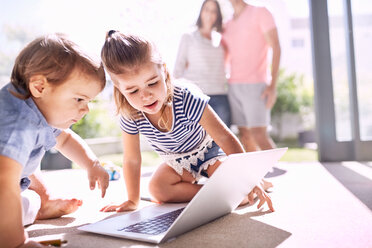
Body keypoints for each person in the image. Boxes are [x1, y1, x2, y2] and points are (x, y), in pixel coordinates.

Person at [99, 30, 273, 214]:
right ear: (118, 87)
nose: (145, 96)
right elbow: (132, 160)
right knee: (158, 189)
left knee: (242, 196)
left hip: (210, 153)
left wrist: (248, 178)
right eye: (133, 91)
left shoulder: (186, 96)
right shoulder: (130, 113)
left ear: (163, 70)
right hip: (178, 163)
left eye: (152, 83)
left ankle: (253, 182)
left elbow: (224, 137)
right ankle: (214, 194)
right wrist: (132, 200)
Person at [0, 33, 110, 248]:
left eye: (89, 101)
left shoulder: (39, 109)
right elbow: (4, 181)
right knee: (12, 207)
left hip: (11, 186)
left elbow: (66, 140)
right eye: (79, 99)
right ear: (39, 87)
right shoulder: (17, 123)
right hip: (4, 184)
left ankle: (41, 206)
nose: (86, 108)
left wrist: (92, 163)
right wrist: (18, 243)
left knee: (29, 203)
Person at [222, 0, 281, 152]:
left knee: (259, 135)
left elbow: (276, 47)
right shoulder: (227, 24)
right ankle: (254, 174)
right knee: (245, 135)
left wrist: (272, 86)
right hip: (233, 86)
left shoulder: (260, 12)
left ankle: (277, 169)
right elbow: (226, 57)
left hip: (256, 85)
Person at [173, 0, 231, 127]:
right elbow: (178, 70)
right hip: (196, 97)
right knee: (198, 142)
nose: (210, 14)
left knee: (224, 142)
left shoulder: (220, 38)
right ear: (201, 12)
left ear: (218, 15)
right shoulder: (188, 36)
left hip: (220, 95)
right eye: (207, 9)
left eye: (214, 11)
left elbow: (226, 67)